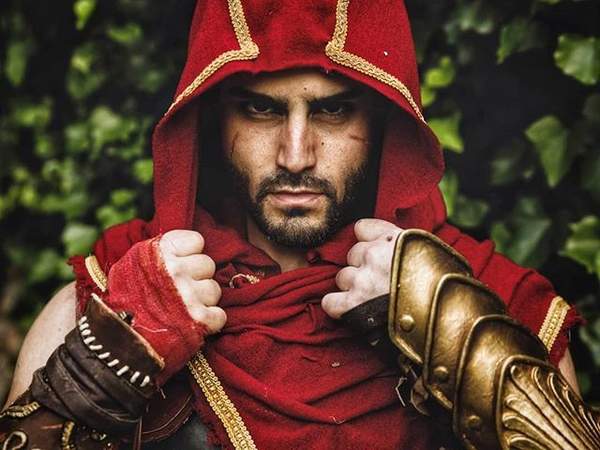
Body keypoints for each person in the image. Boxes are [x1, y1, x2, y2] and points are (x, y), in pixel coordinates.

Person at [1, 1, 596, 449]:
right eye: (261, 108)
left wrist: (457, 332)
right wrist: (104, 364)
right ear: (211, 117)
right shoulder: (112, 299)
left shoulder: (498, 304)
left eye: (332, 110)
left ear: (384, 119)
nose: (295, 155)